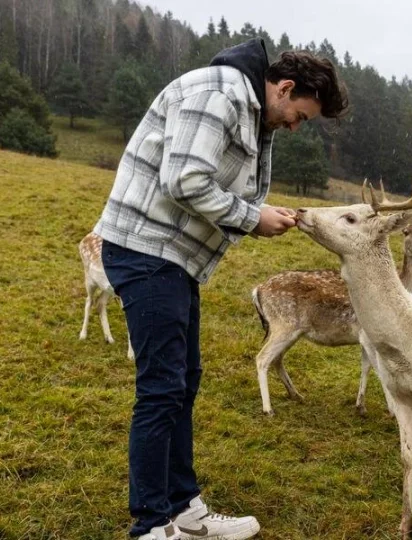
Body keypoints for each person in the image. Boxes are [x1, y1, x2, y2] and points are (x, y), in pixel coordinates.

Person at [94, 38, 348, 540]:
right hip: (146, 250)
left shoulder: (252, 110)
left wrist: (262, 212)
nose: (296, 127)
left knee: (182, 382)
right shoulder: (220, 94)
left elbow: (227, 184)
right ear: (285, 88)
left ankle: (185, 509)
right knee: (161, 389)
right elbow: (185, 180)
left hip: (173, 259)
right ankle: (150, 525)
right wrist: (253, 219)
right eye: (300, 115)